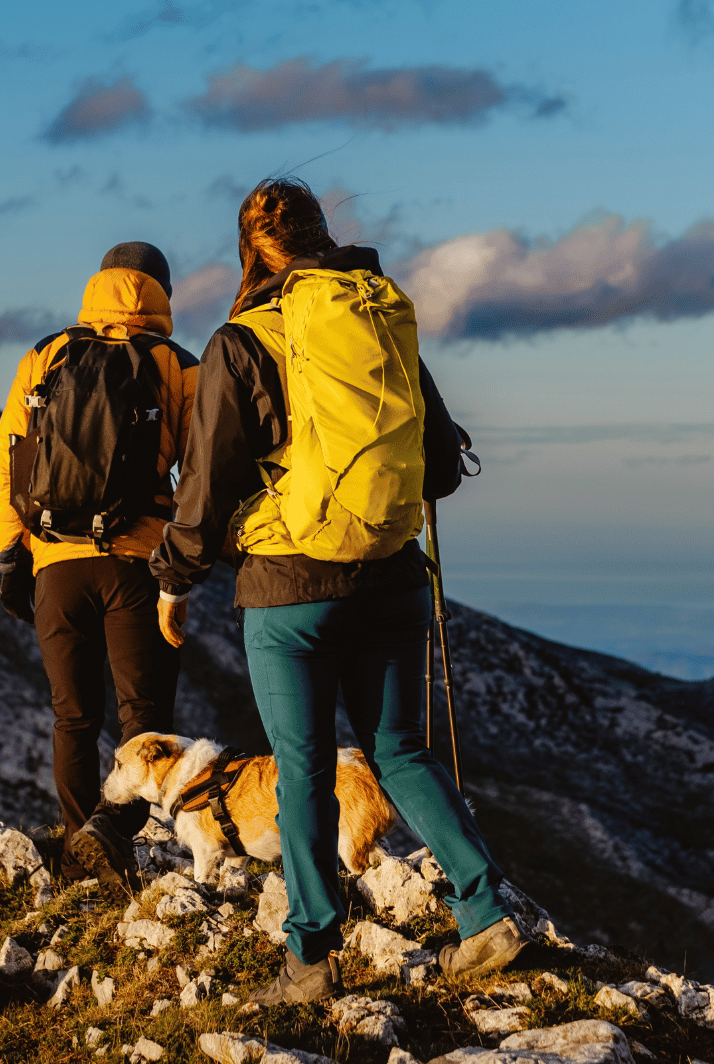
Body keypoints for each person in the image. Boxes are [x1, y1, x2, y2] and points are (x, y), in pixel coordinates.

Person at [149, 179, 528, 1004]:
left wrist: (173, 583)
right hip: (391, 579)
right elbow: (438, 472)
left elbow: (205, 490)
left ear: (250, 250)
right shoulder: (378, 324)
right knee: (401, 753)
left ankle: (310, 962)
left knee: (304, 768)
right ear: (324, 238)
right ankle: (486, 915)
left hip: (290, 592)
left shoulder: (239, 343)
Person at [0, 241, 198, 889]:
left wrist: (8, 552)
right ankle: (112, 833)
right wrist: (188, 557)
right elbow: (202, 474)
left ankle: (85, 854)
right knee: (144, 718)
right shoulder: (176, 365)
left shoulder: (45, 357)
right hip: (136, 565)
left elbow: (8, 461)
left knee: (72, 716)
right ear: (160, 294)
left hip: (55, 565)